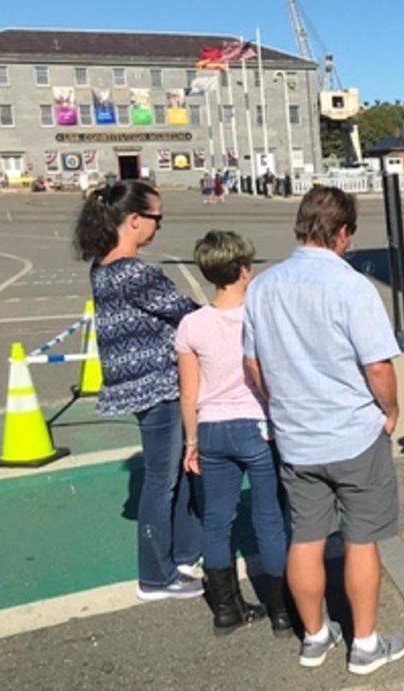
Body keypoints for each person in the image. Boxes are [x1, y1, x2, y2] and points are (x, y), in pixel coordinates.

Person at [244, 186, 404, 674]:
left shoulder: (264, 287)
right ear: (342, 233)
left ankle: (314, 636)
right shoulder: (352, 287)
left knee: (307, 535)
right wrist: (392, 409)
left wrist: (279, 403)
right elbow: (377, 365)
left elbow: (252, 363)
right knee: (362, 538)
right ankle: (365, 643)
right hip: (352, 430)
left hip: (296, 435)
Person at [73, 181, 203, 601]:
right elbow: (187, 314)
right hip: (158, 386)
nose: (158, 228)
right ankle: (156, 575)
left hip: (136, 384)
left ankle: (185, 552)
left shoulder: (103, 266)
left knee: (177, 470)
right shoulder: (135, 273)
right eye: (156, 220)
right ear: (134, 220)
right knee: (164, 479)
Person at [176, 230, 291, 636]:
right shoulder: (260, 317)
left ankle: (226, 609)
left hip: (212, 428)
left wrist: (191, 442)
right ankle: (280, 611)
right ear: (244, 271)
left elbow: (189, 393)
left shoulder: (191, 325)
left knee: (216, 520)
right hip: (257, 425)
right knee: (269, 519)